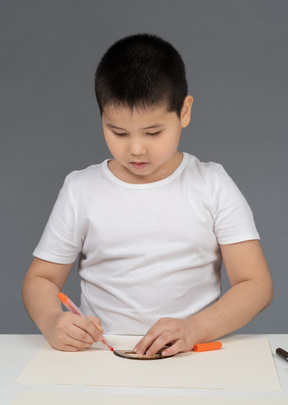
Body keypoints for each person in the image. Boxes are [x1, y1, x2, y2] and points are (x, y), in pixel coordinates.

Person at [22, 33, 273, 356]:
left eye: (153, 132)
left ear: (184, 111)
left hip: (188, 354)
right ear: (101, 117)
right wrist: (51, 320)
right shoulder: (81, 189)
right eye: (118, 132)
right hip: (103, 355)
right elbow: (40, 278)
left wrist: (194, 328)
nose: (136, 149)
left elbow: (256, 285)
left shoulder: (212, 184)